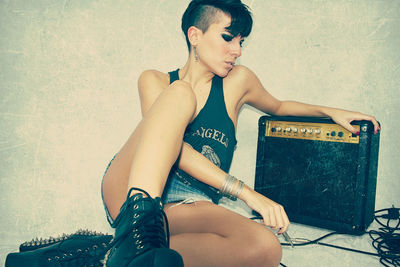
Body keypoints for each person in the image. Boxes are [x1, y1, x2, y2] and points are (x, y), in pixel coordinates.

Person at [101, 0, 380, 266]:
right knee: (180, 94)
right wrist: (248, 194)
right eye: (227, 38)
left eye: (241, 41)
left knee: (265, 247)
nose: (237, 50)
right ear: (194, 35)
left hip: (191, 203)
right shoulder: (155, 80)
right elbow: (176, 150)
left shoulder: (239, 81)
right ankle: (136, 230)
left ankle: (129, 258)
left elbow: (279, 106)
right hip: (131, 191)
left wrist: (330, 112)